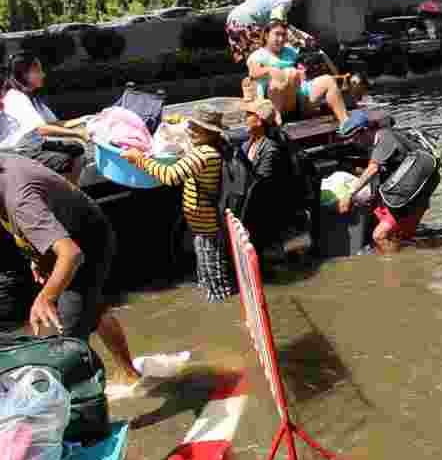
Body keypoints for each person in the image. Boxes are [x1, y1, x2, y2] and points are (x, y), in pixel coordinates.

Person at [0, 153, 141, 383]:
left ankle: (89, 408)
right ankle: (131, 375)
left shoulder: (20, 199)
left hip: (84, 242)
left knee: (68, 342)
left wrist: (46, 297)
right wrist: (35, 252)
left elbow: (71, 254)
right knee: (91, 309)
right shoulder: (4, 167)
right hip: (67, 232)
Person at [122, 104, 236, 302]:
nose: (190, 130)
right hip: (203, 226)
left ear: (208, 132)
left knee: (217, 286)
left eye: (195, 127)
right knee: (207, 277)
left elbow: (170, 176)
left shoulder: (204, 154)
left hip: (207, 228)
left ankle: (224, 309)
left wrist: (139, 159)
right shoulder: (211, 147)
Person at [335, 110, 441, 254]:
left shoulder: (384, 138)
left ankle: (395, 268)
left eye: (354, 137)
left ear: (365, 130)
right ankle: (413, 257)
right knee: (400, 237)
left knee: (379, 236)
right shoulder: (379, 139)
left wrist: (349, 194)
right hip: (413, 191)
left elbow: (373, 168)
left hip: (414, 195)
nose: (353, 142)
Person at [0, 52, 89, 183]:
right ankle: (64, 196)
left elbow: (55, 123)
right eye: (38, 71)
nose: (43, 74)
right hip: (16, 151)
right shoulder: (16, 97)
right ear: (24, 74)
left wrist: (85, 119)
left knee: (76, 149)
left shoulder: (33, 98)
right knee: (66, 159)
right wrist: (78, 133)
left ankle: (70, 193)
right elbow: (41, 129)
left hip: (33, 146)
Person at [247, 19, 348, 125]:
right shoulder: (258, 55)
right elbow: (253, 72)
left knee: (328, 80)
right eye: (277, 35)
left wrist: (303, 71)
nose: (281, 39)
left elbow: (302, 70)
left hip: (300, 98)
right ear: (267, 36)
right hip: (277, 102)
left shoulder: (290, 52)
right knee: (289, 73)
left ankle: (345, 122)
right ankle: (276, 120)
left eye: (283, 35)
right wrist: (271, 70)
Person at [241, 99, 295, 254]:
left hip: (265, 215)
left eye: (248, 115)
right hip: (251, 212)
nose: (244, 118)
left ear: (259, 121)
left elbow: (261, 184)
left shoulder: (271, 149)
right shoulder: (248, 143)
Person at [226, 0, 307, 62]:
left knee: (252, 58)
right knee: (265, 54)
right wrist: (295, 41)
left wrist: (302, 36)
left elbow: (284, 25)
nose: (300, 1)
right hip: (246, 21)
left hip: (233, 20)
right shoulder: (286, 0)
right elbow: (276, 24)